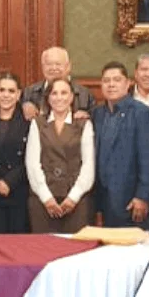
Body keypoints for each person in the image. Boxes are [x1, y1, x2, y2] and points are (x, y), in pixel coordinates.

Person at [91, 61, 149, 229]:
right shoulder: (97, 114)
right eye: (106, 81)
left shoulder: (142, 113)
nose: (111, 84)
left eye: (116, 80)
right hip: (104, 200)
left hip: (131, 200)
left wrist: (143, 196)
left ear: (128, 83)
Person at [26, 78, 95, 233]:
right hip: (43, 199)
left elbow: (88, 165)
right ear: (48, 97)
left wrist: (73, 198)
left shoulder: (84, 124)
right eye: (54, 93)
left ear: (71, 97)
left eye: (64, 93)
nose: (59, 97)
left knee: (75, 251)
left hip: (76, 200)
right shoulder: (37, 123)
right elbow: (32, 164)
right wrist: (46, 198)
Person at [0, 72, 31, 233]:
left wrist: (9, 181)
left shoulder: (28, 122)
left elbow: (30, 158)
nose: (6, 95)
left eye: (11, 91)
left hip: (19, 191)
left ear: (18, 94)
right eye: (2, 90)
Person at [20, 46, 95, 120]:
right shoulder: (29, 93)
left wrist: (86, 116)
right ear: (42, 67)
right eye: (49, 64)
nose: (54, 68)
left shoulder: (85, 95)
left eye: (58, 64)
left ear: (68, 67)